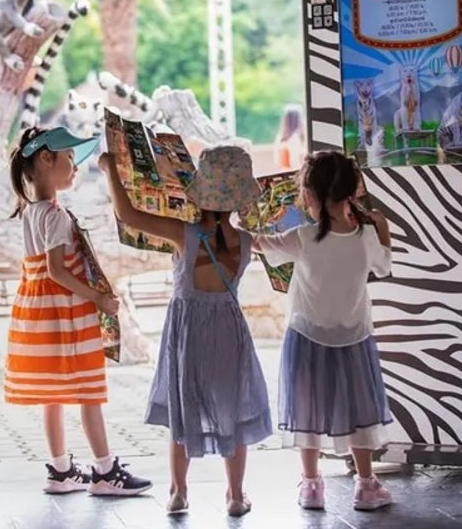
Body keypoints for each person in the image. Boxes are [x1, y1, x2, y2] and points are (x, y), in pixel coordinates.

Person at [99, 145, 272, 518]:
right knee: (234, 409)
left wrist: (110, 168)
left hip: (188, 331)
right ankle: (236, 495)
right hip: (229, 327)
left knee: (183, 407)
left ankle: (178, 492)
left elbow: (127, 214)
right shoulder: (244, 242)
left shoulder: (184, 234)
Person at [6, 126, 152, 497]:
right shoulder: (54, 214)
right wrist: (99, 298)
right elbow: (57, 270)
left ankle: (61, 470)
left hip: (39, 313)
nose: (74, 167)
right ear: (45, 160)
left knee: (53, 396)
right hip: (66, 315)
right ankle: (105, 471)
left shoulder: (29, 212)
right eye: (69, 159)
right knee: (89, 393)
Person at [253, 151, 394, 512]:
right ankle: (365, 485)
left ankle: (312, 486)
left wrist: (237, 222)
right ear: (352, 192)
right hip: (355, 339)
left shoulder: (302, 237)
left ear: (310, 197)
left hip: (307, 337)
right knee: (361, 411)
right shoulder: (365, 237)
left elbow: (261, 245)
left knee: (307, 409)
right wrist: (384, 230)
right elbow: (384, 265)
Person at [274, 104, 307, 171]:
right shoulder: (295, 139)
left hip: (283, 173)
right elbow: (296, 163)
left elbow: (277, 161)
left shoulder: (280, 138)